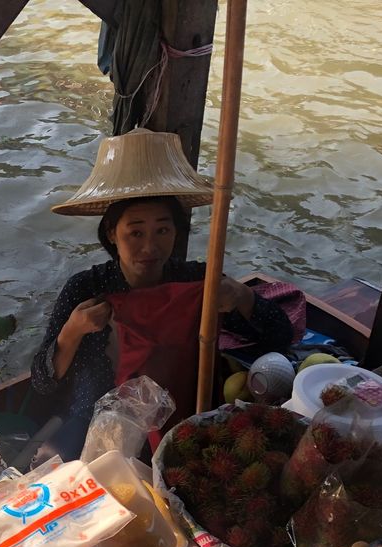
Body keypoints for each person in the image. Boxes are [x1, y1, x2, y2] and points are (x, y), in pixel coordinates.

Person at [31, 129, 295, 461]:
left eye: (163, 230)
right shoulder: (86, 289)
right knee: (48, 466)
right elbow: (42, 382)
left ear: (176, 231)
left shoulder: (196, 282)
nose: (150, 246)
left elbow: (280, 337)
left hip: (183, 416)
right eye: (135, 232)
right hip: (96, 420)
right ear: (112, 233)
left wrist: (243, 297)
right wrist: (73, 330)